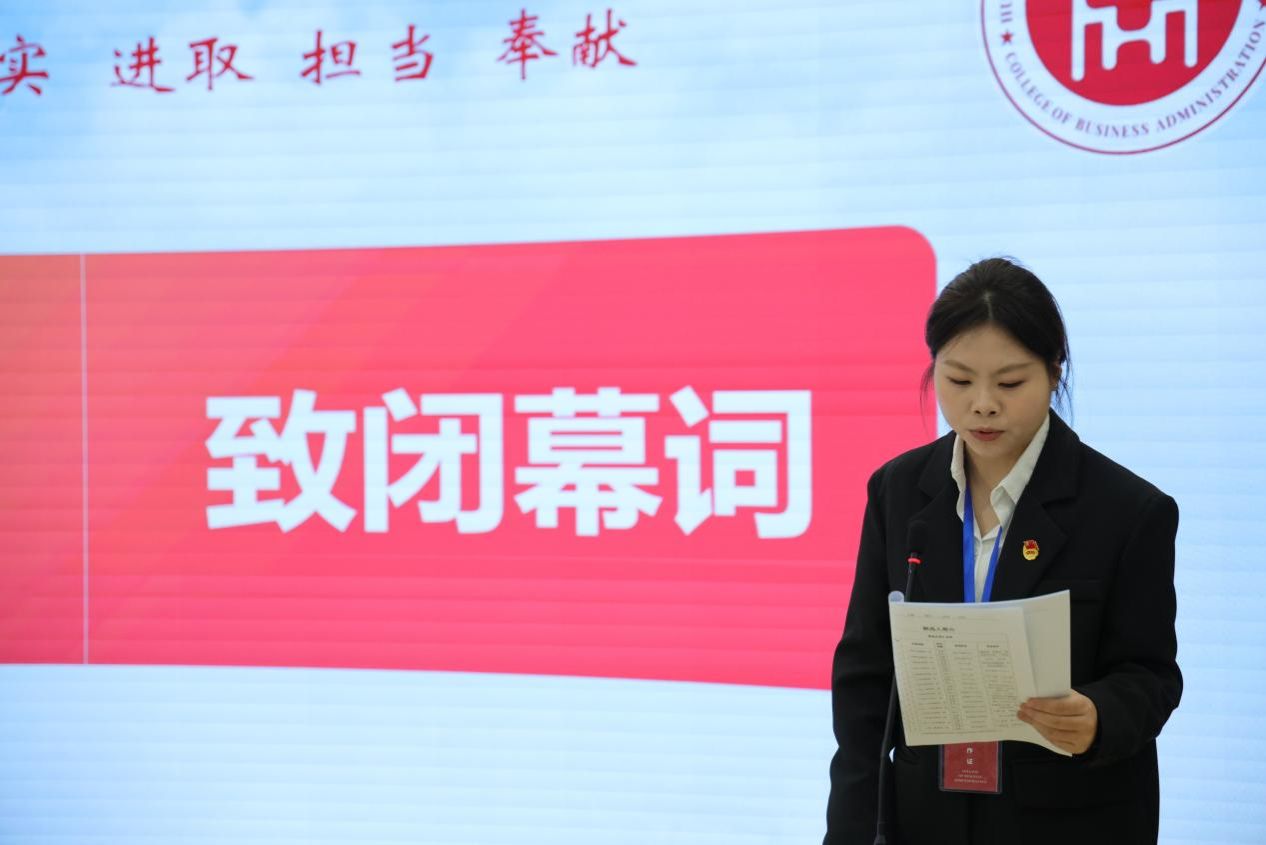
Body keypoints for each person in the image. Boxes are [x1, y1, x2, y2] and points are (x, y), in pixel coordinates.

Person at [823, 258, 1181, 844]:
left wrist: (1098, 716)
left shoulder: (1128, 510)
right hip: (926, 818)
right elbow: (865, 679)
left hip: (1068, 819)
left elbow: (1151, 675)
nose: (983, 404)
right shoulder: (898, 490)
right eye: (959, 380)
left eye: (1010, 383)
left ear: (1054, 372)